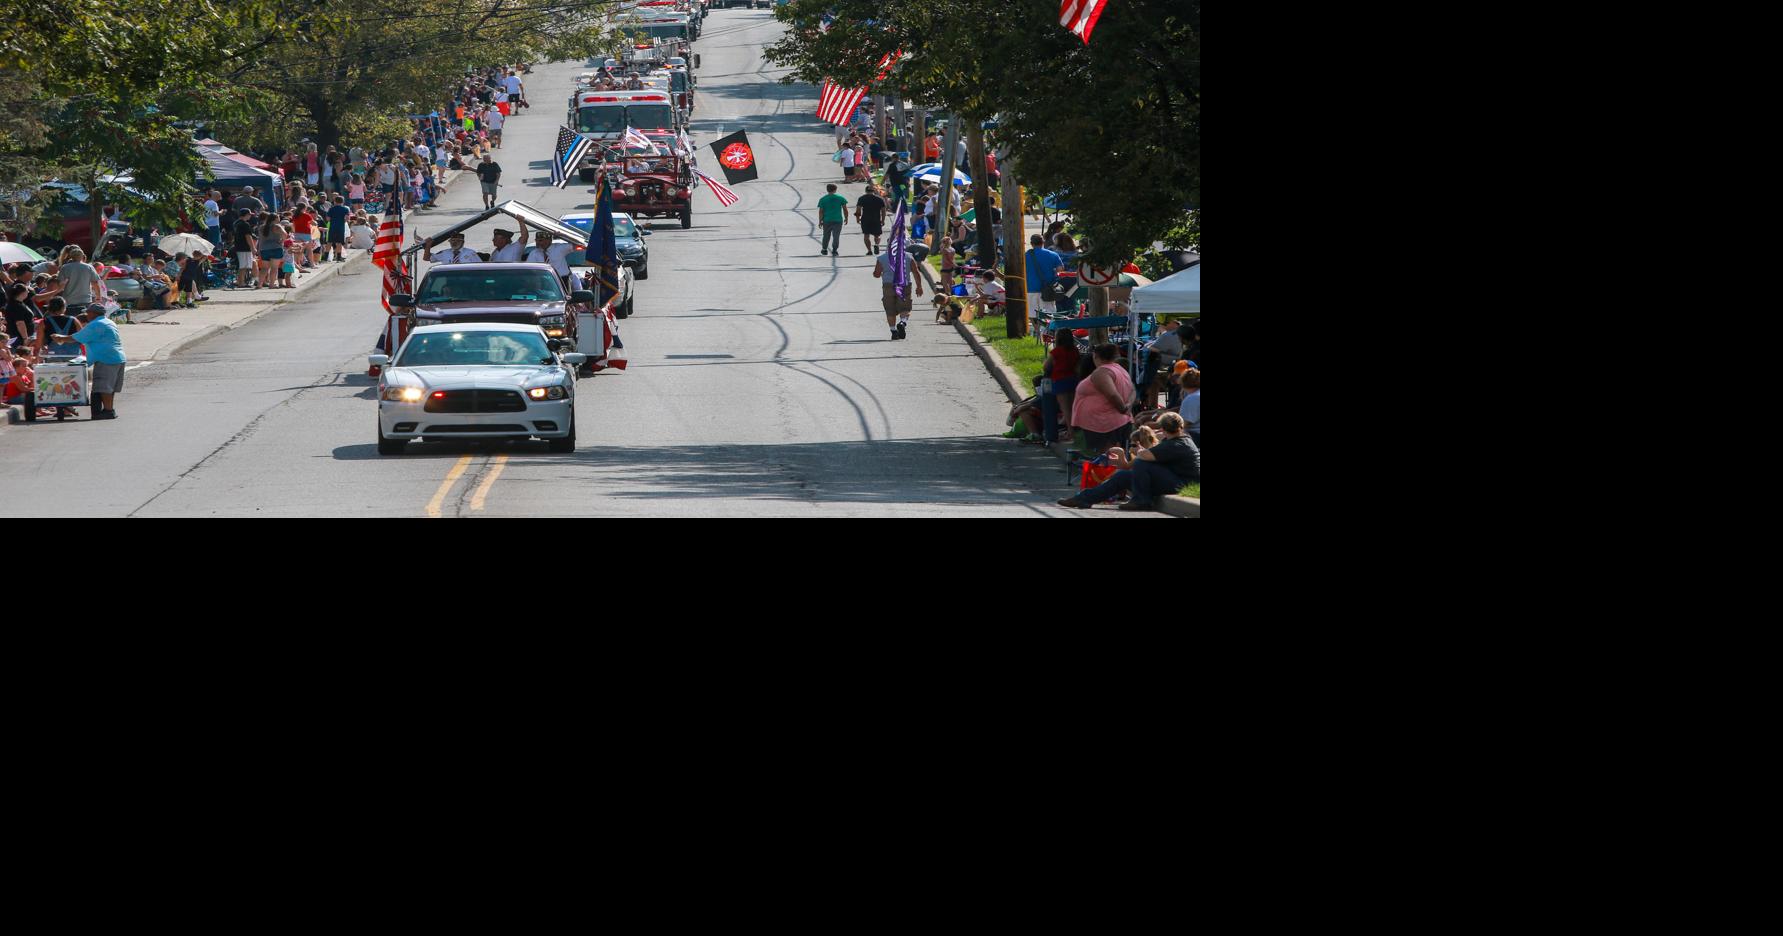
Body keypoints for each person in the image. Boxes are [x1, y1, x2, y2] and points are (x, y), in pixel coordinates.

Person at [1057, 412, 1199, 511]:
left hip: (1182, 483)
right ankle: (1084, 498)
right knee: (1122, 476)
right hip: (1174, 478)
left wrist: (1138, 450)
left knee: (1140, 463)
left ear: (1162, 427)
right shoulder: (1180, 439)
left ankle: (1142, 500)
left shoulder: (1175, 445)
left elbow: (1143, 456)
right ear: (1180, 427)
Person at [47, 305, 127, 419]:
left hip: (106, 358)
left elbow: (76, 338)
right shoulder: (108, 322)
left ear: (93, 313)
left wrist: (61, 338)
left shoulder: (96, 325)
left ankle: (109, 410)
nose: (87, 315)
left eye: (88, 313)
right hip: (117, 357)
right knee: (110, 387)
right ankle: (108, 409)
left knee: (104, 387)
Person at [1070, 344, 1134, 455]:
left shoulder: (1101, 373)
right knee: (1113, 456)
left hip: (1105, 424)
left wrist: (1123, 408)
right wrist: (1129, 405)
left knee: (1107, 458)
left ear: (1095, 356)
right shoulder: (1119, 369)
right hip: (1114, 421)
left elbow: (1112, 394)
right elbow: (1133, 390)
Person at [872, 248, 922, 340]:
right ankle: (902, 322)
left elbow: (877, 274)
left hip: (888, 285)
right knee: (905, 307)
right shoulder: (908, 256)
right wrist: (919, 286)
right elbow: (916, 272)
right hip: (904, 285)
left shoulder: (882, 258)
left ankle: (894, 331)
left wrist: (877, 273)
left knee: (890, 309)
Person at [854, 185, 887, 255]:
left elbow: (858, 210)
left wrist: (857, 218)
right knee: (877, 235)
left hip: (865, 219)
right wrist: (883, 220)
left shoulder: (862, 198)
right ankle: (876, 244)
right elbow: (883, 211)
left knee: (866, 235)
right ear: (873, 191)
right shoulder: (879, 199)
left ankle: (869, 250)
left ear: (866, 191)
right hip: (876, 219)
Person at [817, 183, 848, 256]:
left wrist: (820, 220)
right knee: (836, 236)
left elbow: (821, 211)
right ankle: (834, 250)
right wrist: (846, 218)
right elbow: (845, 209)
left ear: (827, 190)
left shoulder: (823, 199)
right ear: (835, 189)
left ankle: (824, 249)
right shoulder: (841, 198)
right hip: (838, 220)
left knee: (826, 235)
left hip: (827, 220)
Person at [5, 282, 37, 348]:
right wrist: (25, 338)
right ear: (22, 293)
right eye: (27, 290)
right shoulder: (16, 306)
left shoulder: (19, 303)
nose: (28, 292)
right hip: (18, 338)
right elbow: (20, 323)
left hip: (21, 336)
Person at [324, 194, 350, 262]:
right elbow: (347, 218)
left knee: (329, 242)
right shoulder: (345, 209)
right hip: (341, 227)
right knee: (339, 242)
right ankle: (338, 257)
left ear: (335, 201)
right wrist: (343, 221)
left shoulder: (331, 209)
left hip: (332, 227)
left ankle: (326, 257)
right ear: (342, 201)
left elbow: (328, 219)